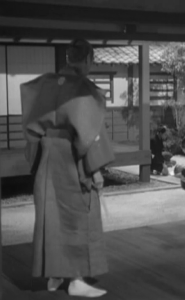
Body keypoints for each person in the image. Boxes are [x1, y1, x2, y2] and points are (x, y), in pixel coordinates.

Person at [21, 39, 114, 297]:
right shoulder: (81, 89)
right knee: (78, 216)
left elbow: (31, 125)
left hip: (46, 155)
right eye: (92, 61)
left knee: (51, 217)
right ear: (86, 60)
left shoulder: (47, 84)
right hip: (71, 157)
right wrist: (94, 169)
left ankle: (55, 274)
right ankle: (75, 279)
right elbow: (88, 134)